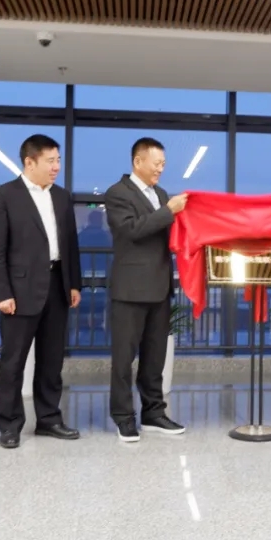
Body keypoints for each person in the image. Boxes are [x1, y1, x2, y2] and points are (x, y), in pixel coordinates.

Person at [0, 134, 82, 449]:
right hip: (19, 290)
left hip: (57, 286)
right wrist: (1, 292)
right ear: (29, 162)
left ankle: (49, 419)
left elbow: (70, 244)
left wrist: (74, 283)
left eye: (58, 160)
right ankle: (9, 424)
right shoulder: (3, 195)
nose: (56, 167)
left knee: (52, 360)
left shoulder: (62, 197)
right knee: (13, 361)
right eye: (50, 160)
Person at [104, 137, 188, 443]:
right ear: (138, 161)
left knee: (155, 357)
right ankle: (124, 417)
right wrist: (169, 211)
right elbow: (131, 230)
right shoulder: (117, 193)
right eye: (156, 163)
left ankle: (154, 413)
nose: (161, 169)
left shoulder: (160, 194)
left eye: (163, 164)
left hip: (159, 287)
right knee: (123, 359)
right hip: (130, 290)